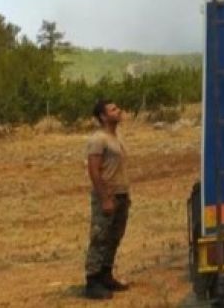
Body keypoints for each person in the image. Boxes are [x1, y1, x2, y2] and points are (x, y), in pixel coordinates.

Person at [84, 99, 131, 300]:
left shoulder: (116, 137)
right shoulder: (99, 139)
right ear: (103, 116)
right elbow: (93, 170)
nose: (118, 110)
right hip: (108, 195)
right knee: (100, 237)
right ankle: (92, 281)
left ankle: (106, 275)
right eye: (113, 109)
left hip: (121, 194)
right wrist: (105, 198)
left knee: (114, 237)